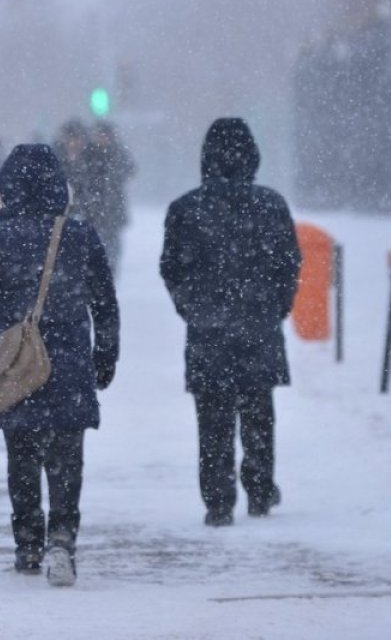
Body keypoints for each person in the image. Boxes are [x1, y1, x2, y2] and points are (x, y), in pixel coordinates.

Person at [0, 144, 119, 587]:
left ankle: (28, 544)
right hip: (69, 360)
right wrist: (107, 354)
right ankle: (62, 540)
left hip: (17, 364)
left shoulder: (0, 237)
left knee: (22, 455)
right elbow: (105, 303)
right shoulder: (79, 235)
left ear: (8, 187)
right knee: (67, 457)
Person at [159, 118, 301, 527]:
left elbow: (171, 269)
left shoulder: (185, 209)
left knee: (213, 418)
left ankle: (218, 500)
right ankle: (259, 488)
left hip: (209, 331)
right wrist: (275, 308)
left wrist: (193, 308)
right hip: (258, 325)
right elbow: (289, 265)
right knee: (259, 411)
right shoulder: (271, 205)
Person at [80, 121, 135, 275]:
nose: (102, 139)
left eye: (105, 135)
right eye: (100, 135)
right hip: (93, 206)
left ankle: (111, 268)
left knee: (112, 241)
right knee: (93, 240)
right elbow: (82, 175)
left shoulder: (118, 152)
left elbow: (130, 170)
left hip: (112, 206)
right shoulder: (89, 152)